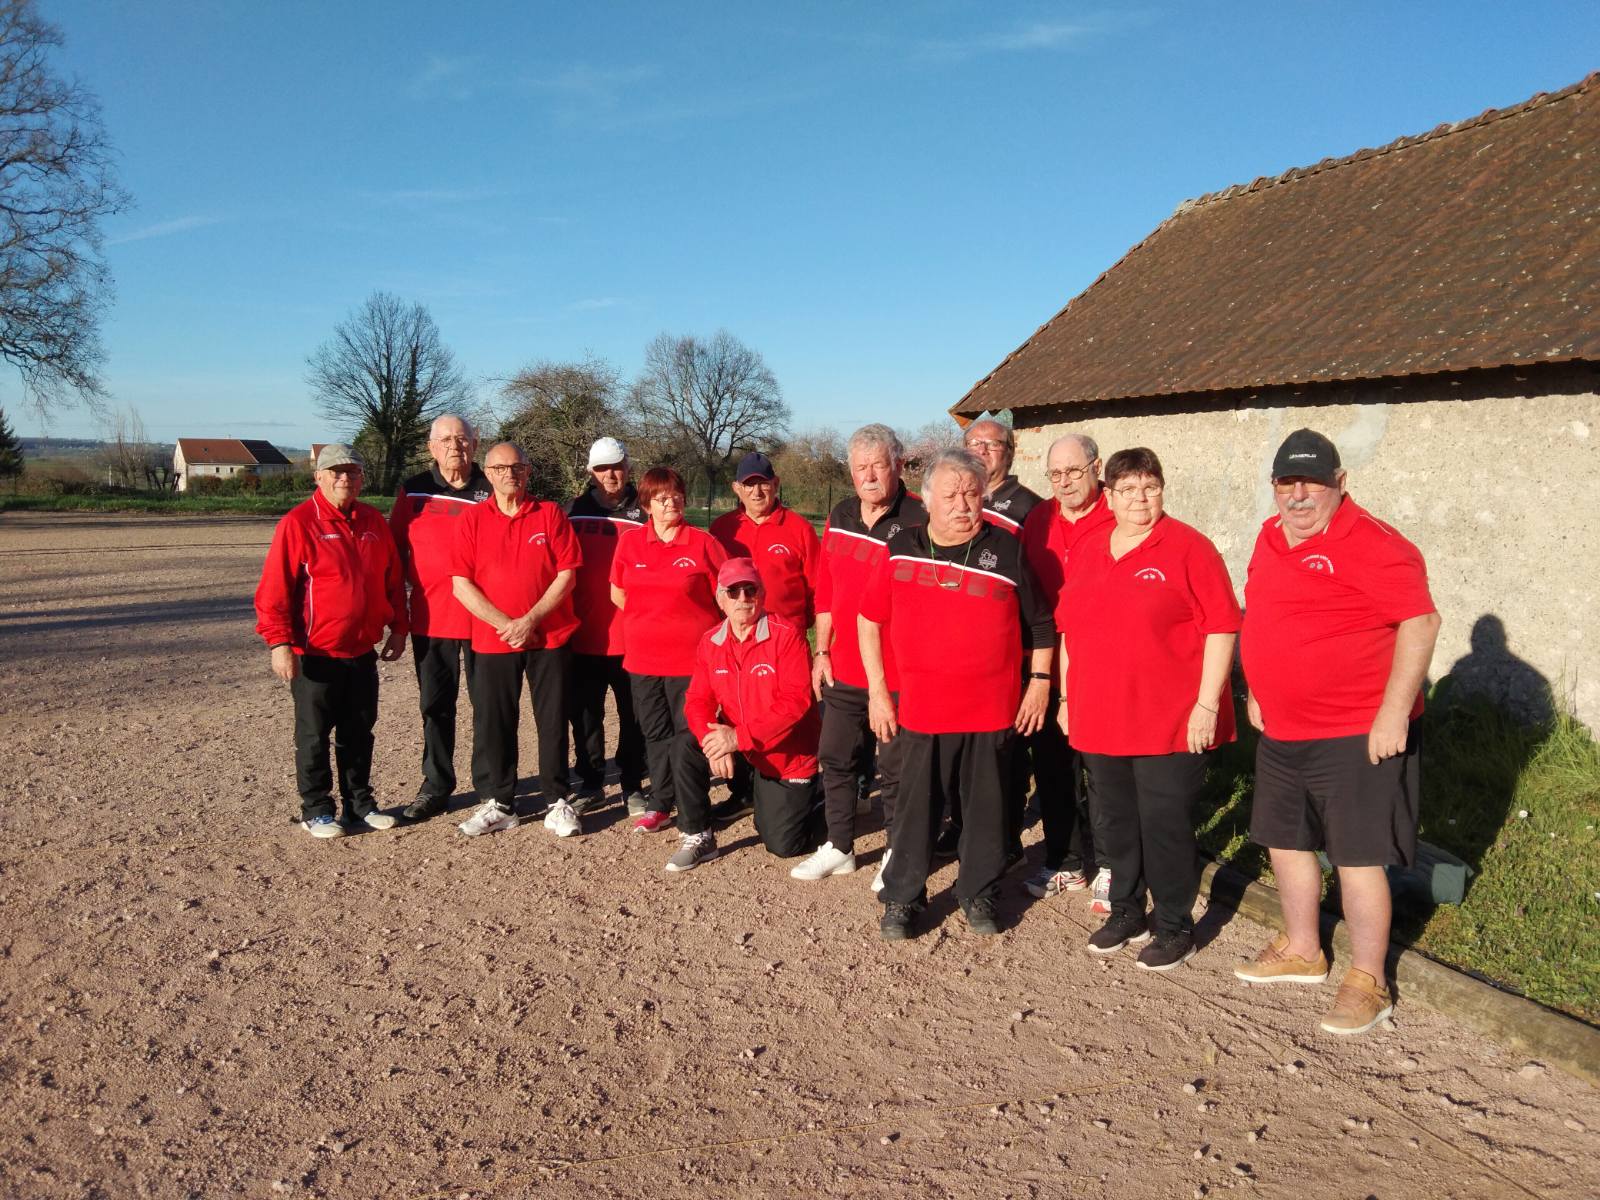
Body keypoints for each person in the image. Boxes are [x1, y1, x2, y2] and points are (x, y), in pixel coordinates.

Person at [1236, 428, 1440, 1035]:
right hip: (1284, 729)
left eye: (1313, 484)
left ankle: (1369, 979)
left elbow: (1421, 623)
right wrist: (1258, 689)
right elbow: (1265, 616)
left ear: (1340, 483)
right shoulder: (1269, 535)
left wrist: (1393, 713)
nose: (1298, 496)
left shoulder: (1375, 543)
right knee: (1286, 841)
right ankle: (1304, 949)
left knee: (1357, 856)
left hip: (1356, 730)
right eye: (1287, 483)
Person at [1057, 447, 1240, 971]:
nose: (1140, 499)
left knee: (1164, 824)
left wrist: (1208, 704)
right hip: (1101, 714)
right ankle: (1126, 910)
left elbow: (1222, 627)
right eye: (1128, 489)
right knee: (1114, 822)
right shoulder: (1090, 547)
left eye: (1150, 487)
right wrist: (1067, 698)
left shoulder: (1189, 548)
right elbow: (1069, 628)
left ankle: (1175, 925)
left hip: (1171, 720)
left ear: (1162, 490)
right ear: (1109, 495)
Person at [864, 449, 1055, 939]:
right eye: (950, 495)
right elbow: (869, 620)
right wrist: (878, 692)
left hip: (991, 711)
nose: (963, 504)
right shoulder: (900, 547)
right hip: (921, 710)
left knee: (986, 812)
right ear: (928, 500)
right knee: (915, 811)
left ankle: (979, 892)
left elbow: (1041, 625)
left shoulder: (1007, 549)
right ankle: (903, 897)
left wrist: (1039, 684)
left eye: (972, 494)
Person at [254, 444, 407, 838]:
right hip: (315, 653)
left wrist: (399, 627)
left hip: (361, 650)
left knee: (359, 732)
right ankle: (317, 809)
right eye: (336, 472)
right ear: (318, 477)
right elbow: (274, 591)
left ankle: (360, 804)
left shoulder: (373, 521)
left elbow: (392, 580)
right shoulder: (298, 523)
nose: (345, 479)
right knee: (313, 735)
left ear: (362, 478)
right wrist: (279, 644)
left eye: (353, 472)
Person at [798, 424, 927, 887]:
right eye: (860, 467)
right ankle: (840, 846)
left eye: (878, 465)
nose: (869, 476)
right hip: (843, 667)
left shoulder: (920, 516)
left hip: (894, 673)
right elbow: (827, 589)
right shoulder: (840, 514)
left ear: (898, 465)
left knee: (895, 767)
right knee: (835, 759)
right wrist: (822, 650)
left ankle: (895, 850)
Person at [450, 443, 583, 838]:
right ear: (488, 473)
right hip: (494, 640)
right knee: (495, 721)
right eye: (501, 468)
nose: (510, 474)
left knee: (553, 720)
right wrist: (507, 624)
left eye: (518, 467)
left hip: (549, 637)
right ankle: (501, 803)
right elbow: (461, 584)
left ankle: (557, 800)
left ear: (528, 472)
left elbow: (567, 574)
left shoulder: (550, 514)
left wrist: (530, 620)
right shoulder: (472, 519)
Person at [609, 466, 728, 847]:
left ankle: (694, 809)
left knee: (689, 736)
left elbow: (725, 597)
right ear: (646, 505)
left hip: (690, 661)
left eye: (676, 496)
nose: (671, 503)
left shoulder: (703, 543)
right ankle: (661, 801)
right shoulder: (630, 543)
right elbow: (618, 593)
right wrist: (650, 619)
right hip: (643, 658)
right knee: (654, 732)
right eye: (661, 498)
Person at [681, 558, 824, 870]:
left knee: (783, 844)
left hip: (786, 753)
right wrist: (713, 741)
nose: (743, 598)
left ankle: (819, 793)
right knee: (686, 745)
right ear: (720, 599)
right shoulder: (711, 641)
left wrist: (736, 738)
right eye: (733, 591)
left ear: (762, 594)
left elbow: (795, 702)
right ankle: (698, 834)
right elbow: (697, 700)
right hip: (743, 744)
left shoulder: (786, 635)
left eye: (751, 590)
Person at [1018, 433, 1111, 910]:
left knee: (1107, 774)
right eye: (1055, 473)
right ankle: (1066, 860)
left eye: (1074, 471)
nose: (1065, 481)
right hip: (1049, 666)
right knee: (1054, 769)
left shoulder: (1120, 514)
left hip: (1104, 666)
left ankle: (1114, 866)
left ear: (1097, 467)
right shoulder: (1038, 520)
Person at [948, 418, 1047, 867]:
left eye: (992, 444)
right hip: (960, 647)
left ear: (1011, 451)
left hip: (1011, 647)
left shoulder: (1029, 508)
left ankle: (1005, 839)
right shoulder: (956, 497)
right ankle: (961, 825)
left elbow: (1037, 585)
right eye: (974, 443)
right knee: (960, 742)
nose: (982, 450)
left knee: (1004, 750)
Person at [707, 449, 822, 825]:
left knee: (788, 712)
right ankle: (742, 791)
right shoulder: (723, 529)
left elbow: (817, 588)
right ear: (736, 488)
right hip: (738, 640)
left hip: (784, 643)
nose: (757, 492)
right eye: (749, 485)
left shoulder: (799, 528)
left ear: (776, 484)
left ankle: (794, 784)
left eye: (764, 484)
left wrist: (804, 631)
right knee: (737, 708)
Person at [388, 414, 493, 822]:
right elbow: (393, 553)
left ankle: (492, 787)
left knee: (489, 706)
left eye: (463, 439)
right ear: (431, 447)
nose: (455, 446)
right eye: (446, 440)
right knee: (435, 706)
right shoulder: (414, 490)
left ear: (475, 444)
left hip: (486, 619)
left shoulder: (493, 486)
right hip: (431, 618)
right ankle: (435, 785)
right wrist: (399, 615)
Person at [565, 437, 649, 816]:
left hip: (634, 636)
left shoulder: (646, 512)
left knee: (634, 715)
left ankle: (632, 783)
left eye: (616, 466)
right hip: (584, 635)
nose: (610, 474)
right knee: (585, 715)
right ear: (590, 472)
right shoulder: (571, 511)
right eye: (601, 468)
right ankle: (592, 782)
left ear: (628, 466)